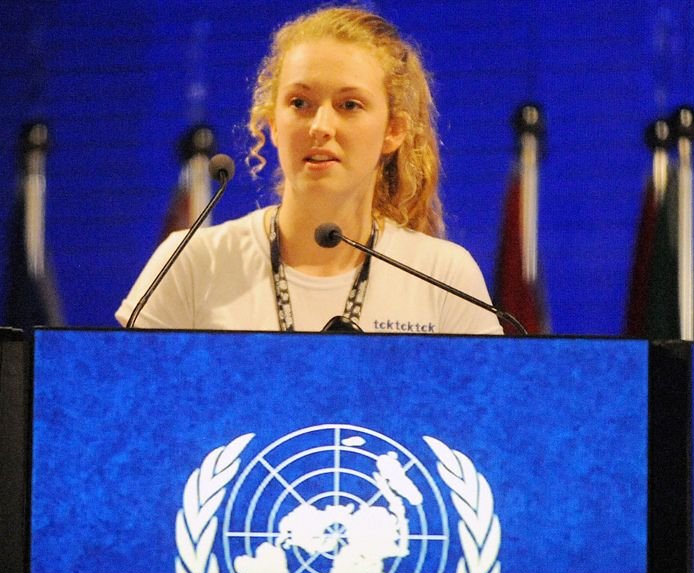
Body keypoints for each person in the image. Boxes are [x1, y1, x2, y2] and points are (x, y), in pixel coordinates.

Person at [115, 6, 502, 335]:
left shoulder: (442, 276)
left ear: (393, 131)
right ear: (273, 123)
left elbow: (491, 416)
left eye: (349, 105)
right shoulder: (192, 261)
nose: (320, 126)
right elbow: (118, 408)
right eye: (300, 103)